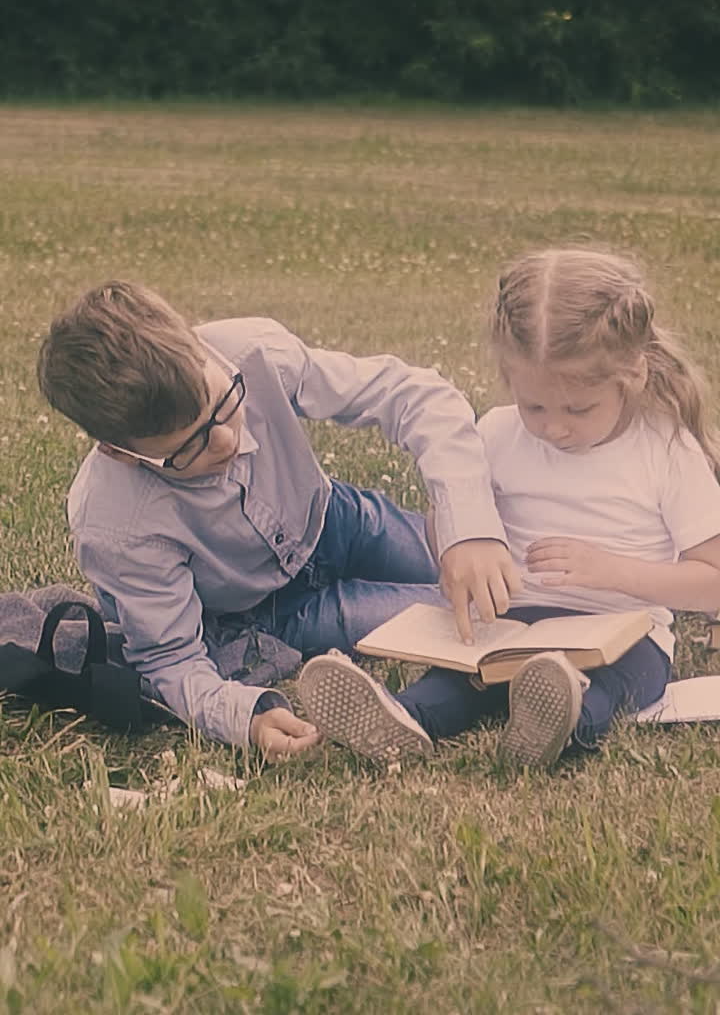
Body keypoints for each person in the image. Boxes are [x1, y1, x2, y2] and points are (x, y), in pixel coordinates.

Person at [36, 281, 518, 761]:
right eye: (187, 449)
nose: (225, 442)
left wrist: (468, 527)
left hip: (339, 521)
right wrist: (245, 717)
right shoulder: (114, 526)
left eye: (223, 404)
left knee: (507, 580)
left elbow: (412, 395)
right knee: (478, 623)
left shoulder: (250, 351)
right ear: (120, 453)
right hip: (272, 610)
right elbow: (170, 661)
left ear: (199, 348)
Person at [299, 247, 720, 768]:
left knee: (604, 688)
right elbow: (448, 525)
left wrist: (612, 571)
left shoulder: (664, 447)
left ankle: (560, 727)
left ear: (631, 372)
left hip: (623, 635)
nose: (554, 427)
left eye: (579, 408)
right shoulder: (497, 433)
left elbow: (711, 580)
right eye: (534, 405)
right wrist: (452, 547)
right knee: (456, 682)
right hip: (508, 628)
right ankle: (400, 720)